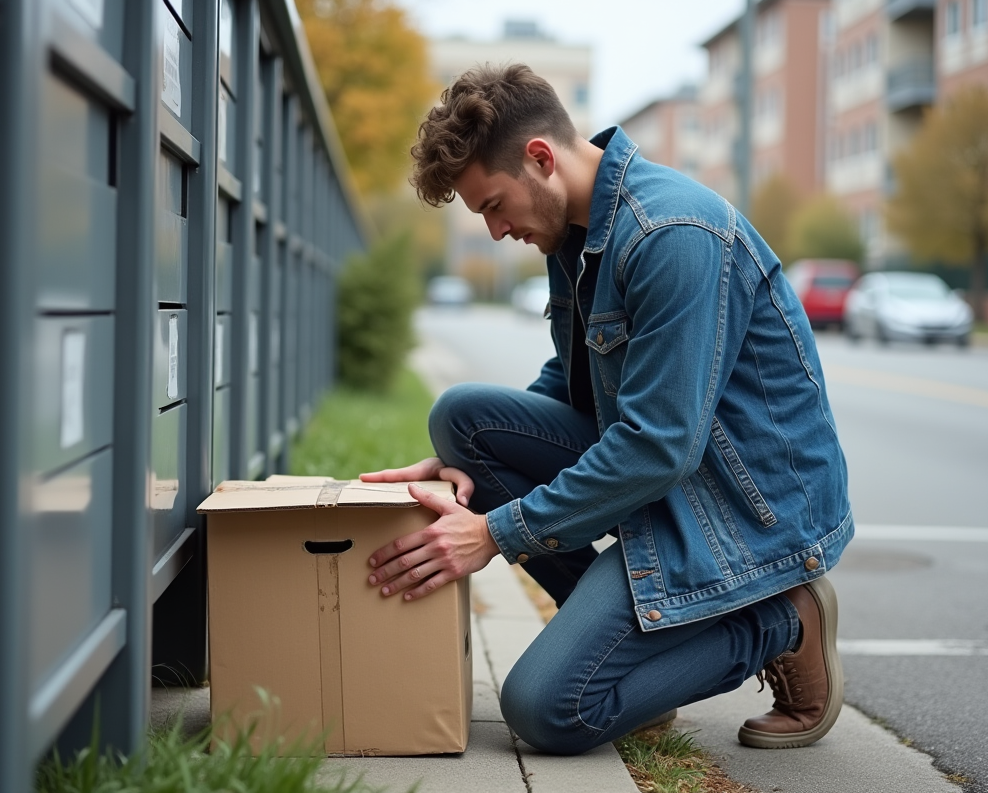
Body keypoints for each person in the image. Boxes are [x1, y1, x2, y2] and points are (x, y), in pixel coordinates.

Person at [360, 64, 853, 755]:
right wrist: (464, 462)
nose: (497, 230)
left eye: (494, 206)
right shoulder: (575, 231)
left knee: (544, 710)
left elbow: (658, 448)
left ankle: (778, 620)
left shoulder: (672, 234)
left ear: (540, 158)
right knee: (462, 419)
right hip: (671, 478)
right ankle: (632, 656)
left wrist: (496, 532)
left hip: (740, 513)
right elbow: (574, 377)